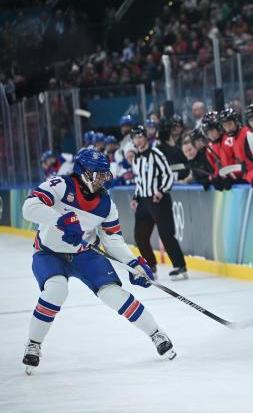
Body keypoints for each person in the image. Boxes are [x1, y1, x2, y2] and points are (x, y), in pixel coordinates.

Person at [21, 148, 176, 374]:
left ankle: (156, 333)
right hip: (49, 252)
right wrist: (63, 220)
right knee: (55, 290)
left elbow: (112, 241)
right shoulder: (60, 185)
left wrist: (134, 264)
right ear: (83, 172)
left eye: (105, 173)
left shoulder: (106, 204)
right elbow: (29, 207)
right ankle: (33, 343)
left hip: (84, 253)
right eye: (99, 173)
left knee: (113, 292)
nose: (104, 178)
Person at [130, 125, 188, 281]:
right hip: (143, 201)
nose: (138, 139)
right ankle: (151, 267)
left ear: (145, 138)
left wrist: (161, 191)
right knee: (140, 237)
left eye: (140, 136)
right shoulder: (136, 158)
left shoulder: (156, 154)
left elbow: (168, 174)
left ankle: (180, 266)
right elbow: (139, 181)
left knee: (166, 234)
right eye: (135, 137)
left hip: (158, 199)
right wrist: (136, 198)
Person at [156, 115, 191, 181]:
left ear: (182, 127)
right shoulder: (162, 145)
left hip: (185, 175)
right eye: (174, 126)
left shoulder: (186, 139)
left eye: (178, 126)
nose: (176, 128)